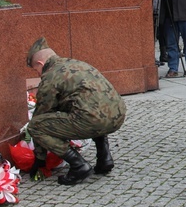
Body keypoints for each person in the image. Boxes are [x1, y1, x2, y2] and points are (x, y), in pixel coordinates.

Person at [26, 37, 127, 185]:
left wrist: (40, 161)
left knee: (35, 126)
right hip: (118, 115)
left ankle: (79, 166)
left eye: (36, 70)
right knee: (91, 109)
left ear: (41, 64)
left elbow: (40, 118)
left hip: (95, 120)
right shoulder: (76, 63)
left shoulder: (50, 76)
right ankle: (105, 158)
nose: (38, 74)